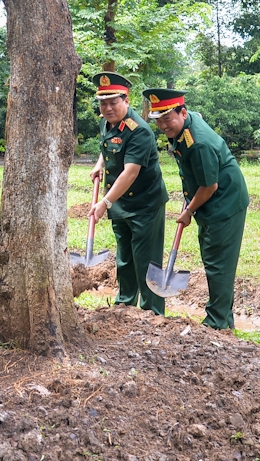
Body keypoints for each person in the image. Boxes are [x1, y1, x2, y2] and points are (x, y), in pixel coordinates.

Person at [144, 88, 250, 331]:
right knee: (214, 257)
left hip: (223, 202)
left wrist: (189, 211)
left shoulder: (198, 143)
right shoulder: (186, 125)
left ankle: (217, 322)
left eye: (167, 118)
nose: (162, 125)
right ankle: (224, 319)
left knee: (218, 262)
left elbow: (209, 186)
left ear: (182, 112)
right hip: (211, 199)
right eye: (158, 120)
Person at [88, 72, 169, 315]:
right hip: (120, 200)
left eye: (113, 102)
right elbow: (110, 145)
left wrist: (104, 202)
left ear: (126, 100)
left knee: (146, 259)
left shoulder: (140, 131)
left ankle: (152, 311)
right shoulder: (106, 122)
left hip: (145, 203)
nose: (108, 108)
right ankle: (125, 303)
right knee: (124, 256)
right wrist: (99, 163)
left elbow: (130, 173)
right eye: (103, 103)